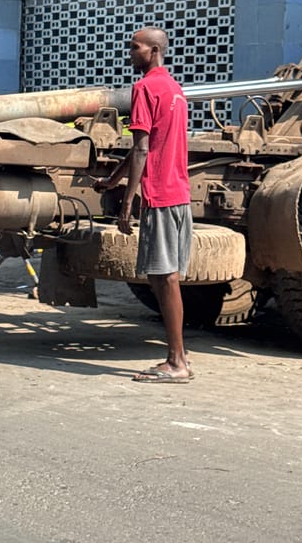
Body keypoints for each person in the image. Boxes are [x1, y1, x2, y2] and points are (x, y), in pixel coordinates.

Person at [94, 27, 193, 383]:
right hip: (179, 193)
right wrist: (114, 180)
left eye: (134, 47)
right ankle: (178, 358)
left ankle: (177, 362)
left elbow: (140, 148)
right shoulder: (175, 90)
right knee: (164, 276)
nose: (129, 53)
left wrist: (126, 202)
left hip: (160, 194)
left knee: (163, 278)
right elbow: (148, 145)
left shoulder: (144, 88)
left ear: (153, 51)